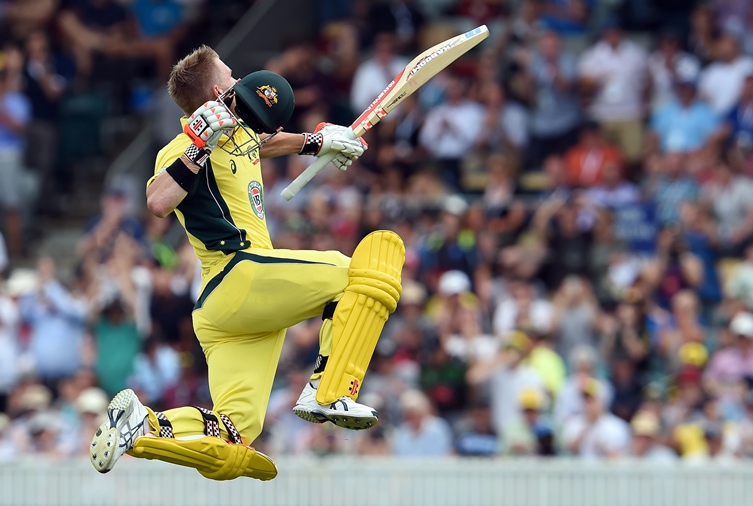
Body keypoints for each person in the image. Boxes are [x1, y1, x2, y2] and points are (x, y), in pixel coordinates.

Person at [89, 46, 405, 482]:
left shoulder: (239, 134)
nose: (240, 78)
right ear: (220, 90)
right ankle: (326, 390)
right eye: (231, 74)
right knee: (356, 274)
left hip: (230, 313)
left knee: (233, 434)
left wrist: (317, 142)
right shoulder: (183, 146)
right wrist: (200, 142)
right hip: (237, 276)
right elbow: (158, 201)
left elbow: (263, 143)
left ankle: (141, 426)